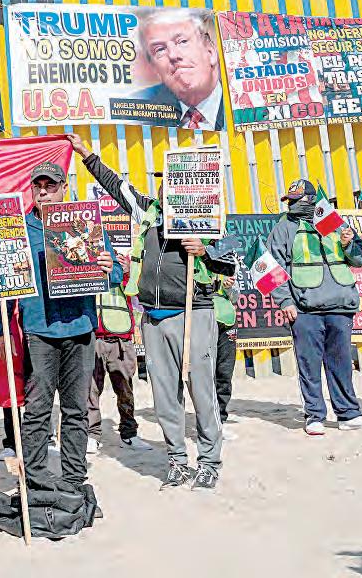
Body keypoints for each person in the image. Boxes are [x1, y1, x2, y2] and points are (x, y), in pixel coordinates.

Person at [73, 133, 237, 491]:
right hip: (153, 317)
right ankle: (177, 460)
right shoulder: (148, 211)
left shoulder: (208, 218)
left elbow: (232, 262)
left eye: (175, 183)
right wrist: (87, 155)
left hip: (194, 313)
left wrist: (204, 251)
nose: (167, 189)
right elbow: (118, 187)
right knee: (164, 395)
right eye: (164, 183)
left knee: (201, 390)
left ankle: (209, 461)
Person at [0, 160, 120, 493]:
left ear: (64, 188)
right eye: (38, 186)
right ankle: (35, 481)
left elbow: (117, 275)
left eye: (51, 186)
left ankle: (74, 481)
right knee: (37, 410)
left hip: (80, 330)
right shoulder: (17, 229)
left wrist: (109, 267)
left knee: (76, 410)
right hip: (40, 333)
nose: (44, 192)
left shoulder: (87, 224)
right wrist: (2, 330)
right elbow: (1, 287)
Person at [265, 180, 362, 436]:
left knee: (341, 363)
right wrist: (285, 301)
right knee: (309, 365)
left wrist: (349, 244)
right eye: (289, 201)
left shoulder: (335, 222)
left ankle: (349, 415)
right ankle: (314, 416)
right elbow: (272, 268)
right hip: (304, 310)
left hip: (340, 305)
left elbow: (361, 258)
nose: (292, 205)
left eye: (296, 200)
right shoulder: (284, 227)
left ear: (311, 199)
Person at [88, 253, 153, 452]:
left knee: (125, 389)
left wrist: (127, 273)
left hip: (121, 337)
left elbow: (137, 296)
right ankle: (91, 435)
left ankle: (129, 433)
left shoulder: (125, 263)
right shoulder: (86, 257)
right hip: (93, 335)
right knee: (90, 390)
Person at [136, 9, 225, 131]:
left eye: (182, 41)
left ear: (210, 52)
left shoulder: (244, 101)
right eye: (160, 49)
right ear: (156, 70)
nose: (173, 55)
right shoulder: (139, 109)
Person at [213, 274, 239, 431]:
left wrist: (228, 288)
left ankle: (220, 418)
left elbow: (235, 297)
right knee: (205, 374)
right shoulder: (195, 262)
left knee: (225, 372)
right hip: (202, 320)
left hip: (227, 322)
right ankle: (207, 419)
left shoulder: (228, 264)